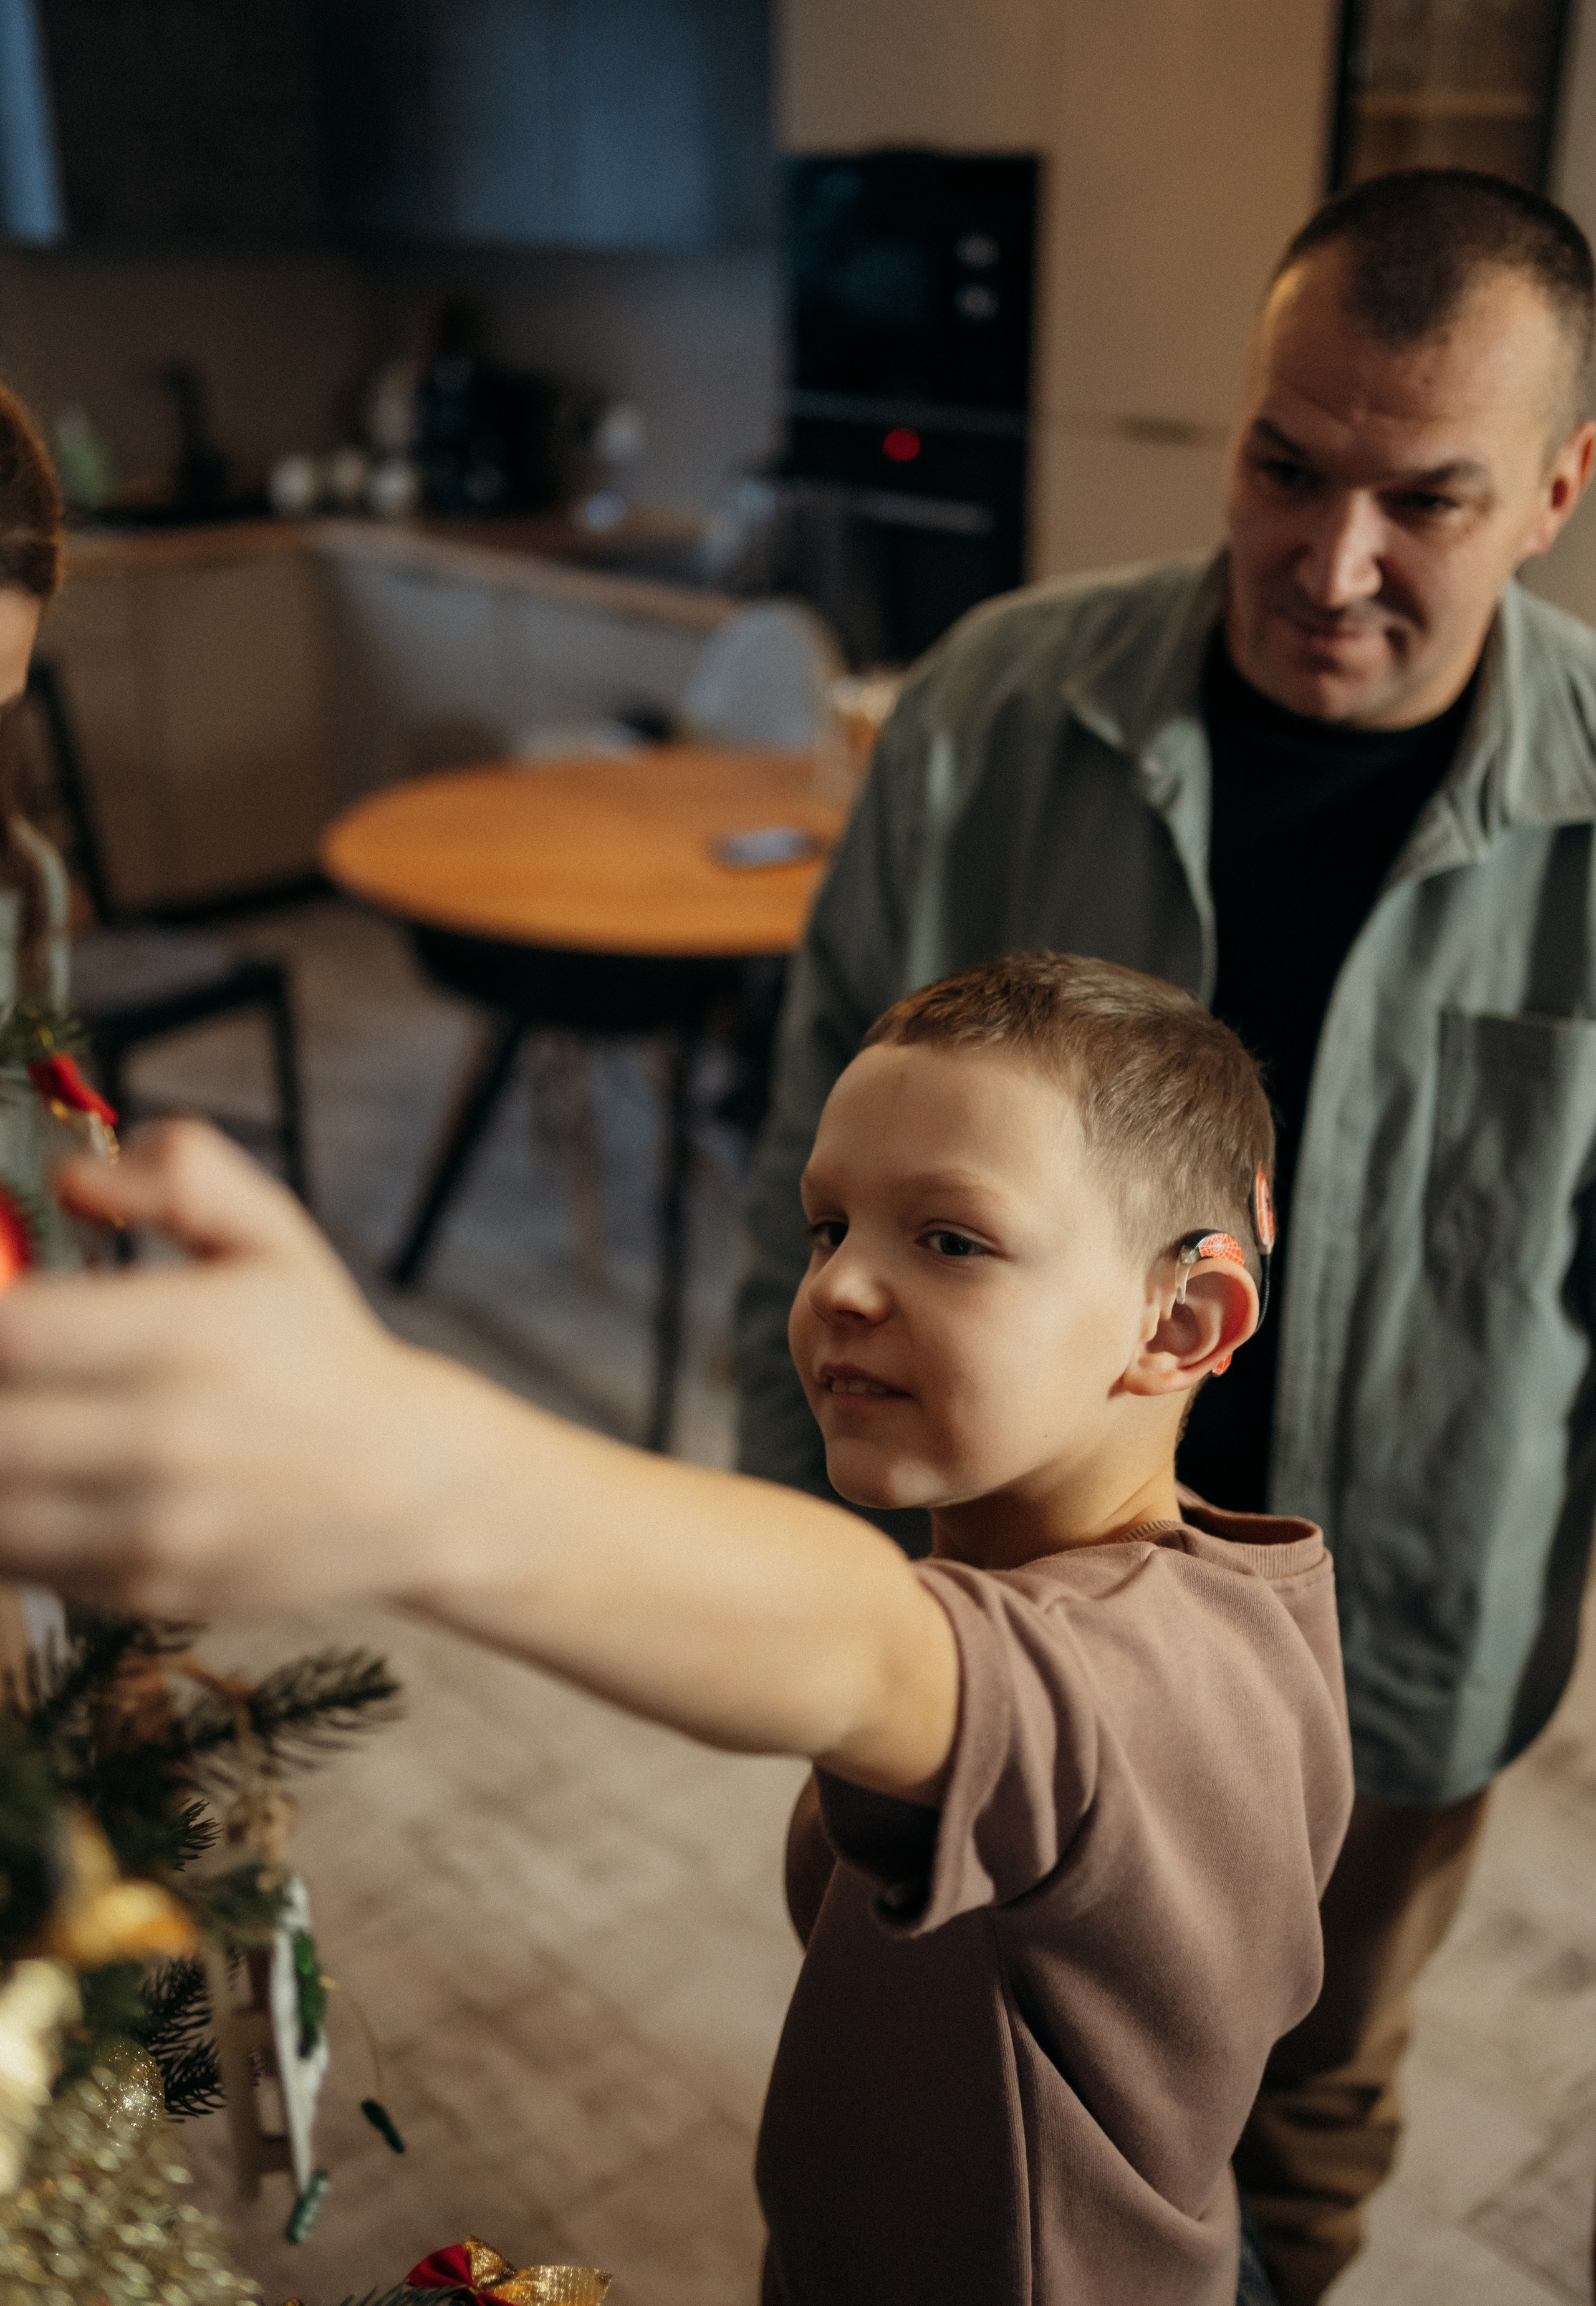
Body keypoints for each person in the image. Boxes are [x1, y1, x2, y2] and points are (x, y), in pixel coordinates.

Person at [735, 165, 1596, 2303]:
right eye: (1284, 468)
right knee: (924, 2017)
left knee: (1300, 2104)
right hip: (1002, 1588)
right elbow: (807, 1133)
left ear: (1564, 488)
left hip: (1401, 1607)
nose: (1332, 563)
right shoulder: (994, 707)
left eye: (1430, 504)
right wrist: (815, 1546)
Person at [0, 949, 1349, 2306]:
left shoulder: (1172, 1678)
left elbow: (866, 1644)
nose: (840, 1289)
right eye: (830, 1228)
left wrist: (407, 1466)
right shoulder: (1027, 1586)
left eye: (948, 1238)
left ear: (1178, 1323)